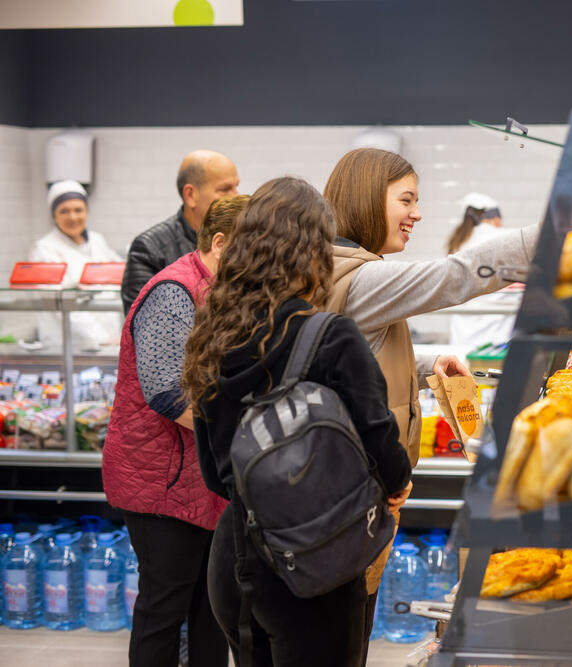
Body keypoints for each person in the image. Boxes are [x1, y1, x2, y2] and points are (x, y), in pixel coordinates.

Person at [322, 148, 572, 641]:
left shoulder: (345, 269)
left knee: (347, 631)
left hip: (353, 497)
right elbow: (457, 274)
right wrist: (570, 227)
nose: (417, 213)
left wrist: (426, 364)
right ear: (366, 199)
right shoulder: (359, 278)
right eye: (406, 200)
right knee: (338, 638)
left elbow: (349, 359)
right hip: (349, 501)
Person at [181, 177, 412, 666]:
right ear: (313, 253)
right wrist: (396, 486)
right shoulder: (331, 336)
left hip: (233, 558)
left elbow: (214, 473)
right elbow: (380, 441)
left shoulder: (211, 335)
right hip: (312, 563)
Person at [102, 195, 249, 667]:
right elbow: (167, 392)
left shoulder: (222, 290)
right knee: (164, 608)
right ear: (221, 243)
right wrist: (238, 434)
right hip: (160, 480)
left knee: (213, 606)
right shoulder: (173, 290)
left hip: (202, 478)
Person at [121, 149, 239, 313]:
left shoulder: (239, 241)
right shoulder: (149, 248)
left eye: (236, 187)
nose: (236, 196)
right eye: (225, 190)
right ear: (190, 195)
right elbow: (143, 318)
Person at [29, 180, 124, 349]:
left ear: (86, 211)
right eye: (64, 211)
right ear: (54, 216)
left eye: (78, 210)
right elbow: (57, 302)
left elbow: (119, 272)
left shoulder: (97, 240)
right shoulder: (44, 249)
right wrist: (100, 336)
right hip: (69, 343)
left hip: (110, 338)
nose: (72, 217)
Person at [445, 192, 518, 348]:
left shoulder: (459, 242)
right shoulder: (500, 237)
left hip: (461, 334)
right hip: (493, 337)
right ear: (495, 218)